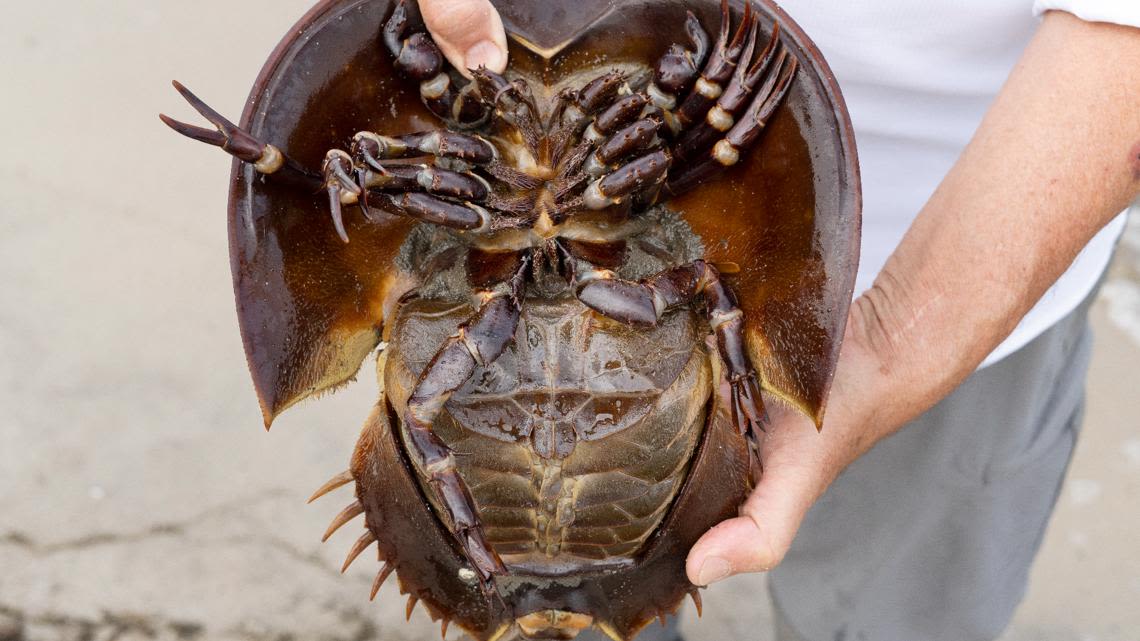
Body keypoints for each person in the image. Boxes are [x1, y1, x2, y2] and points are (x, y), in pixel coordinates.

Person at [417, 0, 1140, 639]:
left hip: (966, 275)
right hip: (495, 227)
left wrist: (885, 345)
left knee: (886, 611)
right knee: (567, 586)